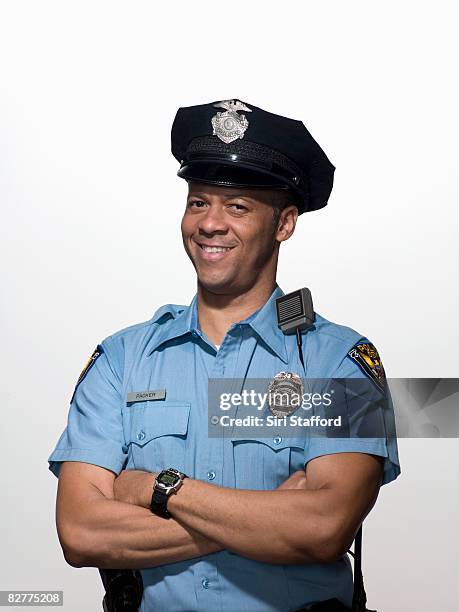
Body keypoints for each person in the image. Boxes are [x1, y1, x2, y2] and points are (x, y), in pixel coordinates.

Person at [48, 99, 400, 611]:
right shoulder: (121, 360)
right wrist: (266, 520)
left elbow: (321, 529)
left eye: (237, 207)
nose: (210, 224)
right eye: (198, 202)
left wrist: (158, 489)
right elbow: (80, 533)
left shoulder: (338, 361)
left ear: (283, 224)